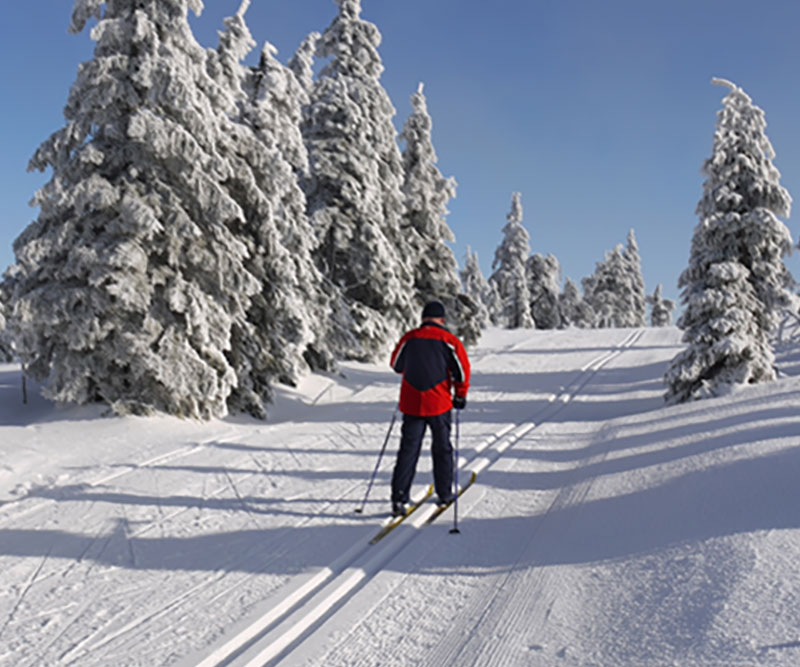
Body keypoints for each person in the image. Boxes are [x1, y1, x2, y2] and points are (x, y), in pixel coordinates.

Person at [389, 300, 470, 517]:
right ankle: (444, 493)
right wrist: (460, 395)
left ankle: (399, 497)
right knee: (442, 448)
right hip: (439, 403)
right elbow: (461, 371)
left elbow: (396, 365)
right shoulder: (449, 340)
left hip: (412, 403)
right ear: (442, 319)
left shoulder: (409, 338)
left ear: (423, 318)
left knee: (408, 450)